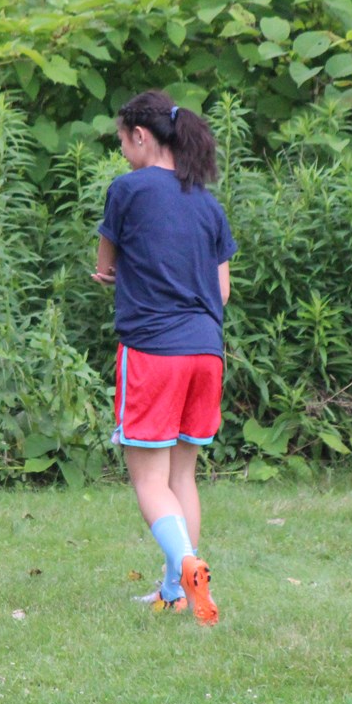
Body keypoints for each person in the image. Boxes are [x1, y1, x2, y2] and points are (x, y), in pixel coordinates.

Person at [93, 91, 235, 626]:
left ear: (141, 136)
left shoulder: (127, 190)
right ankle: (176, 591)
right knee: (183, 478)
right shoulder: (208, 203)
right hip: (207, 353)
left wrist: (116, 275)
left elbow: (106, 264)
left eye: (122, 141)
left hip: (154, 352)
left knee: (150, 481)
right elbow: (222, 292)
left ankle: (187, 565)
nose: (122, 152)